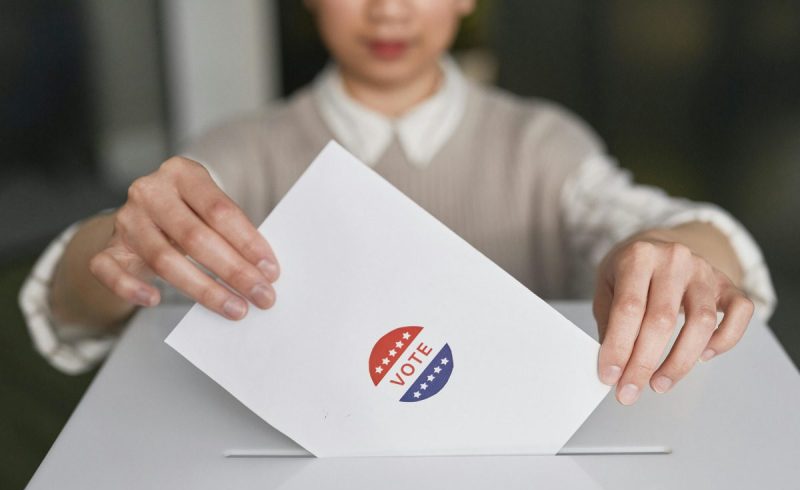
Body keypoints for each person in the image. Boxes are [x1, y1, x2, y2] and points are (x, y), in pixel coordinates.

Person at [19, 0, 775, 407]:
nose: (388, 11)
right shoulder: (241, 150)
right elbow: (70, 308)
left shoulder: (543, 142)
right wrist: (118, 244)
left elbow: (646, 222)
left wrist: (675, 256)